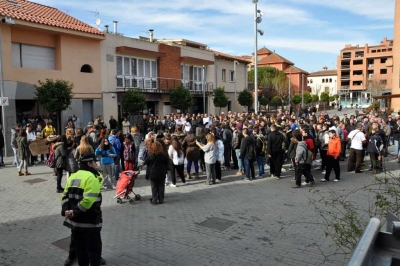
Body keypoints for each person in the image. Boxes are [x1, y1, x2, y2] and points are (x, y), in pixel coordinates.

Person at [61, 154, 105, 266]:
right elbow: (88, 200)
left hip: (75, 223)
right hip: (90, 222)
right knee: (94, 252)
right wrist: (75, 211)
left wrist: (66, 210)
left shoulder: (73, 176)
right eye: (95, 162)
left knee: (81, 252)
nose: (96, 164)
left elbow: (64, 196)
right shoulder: (92, 177)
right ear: (89, 163)